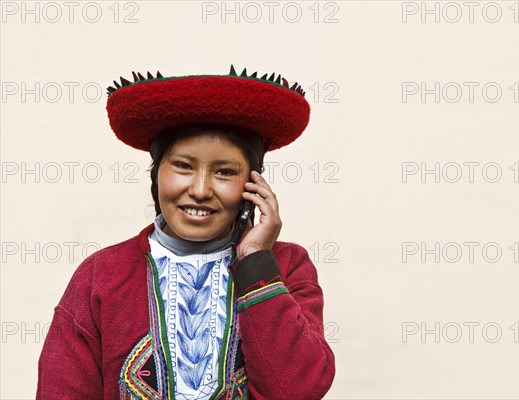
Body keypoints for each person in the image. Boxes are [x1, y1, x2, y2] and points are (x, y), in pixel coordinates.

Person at [36, 66, 335, 399]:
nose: (201, 189)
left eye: (224, 172)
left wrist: (255, 262)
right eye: (183, 166)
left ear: (252, 187)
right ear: (157, 174)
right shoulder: (101, 275)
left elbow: (296, 389)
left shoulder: (286, 265)